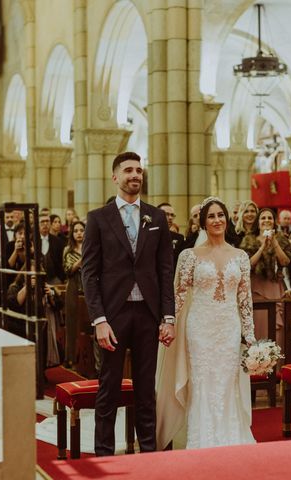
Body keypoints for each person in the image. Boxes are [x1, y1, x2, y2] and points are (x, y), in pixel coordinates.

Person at [81, 151, 175, 456]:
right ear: (115, 177)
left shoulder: (156, 217)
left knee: (146, 388)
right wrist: (99, 320)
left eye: (138, 170)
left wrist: (168, 317)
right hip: (113, 315)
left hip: (148, 315)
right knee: (108, 387)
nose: (135, 175)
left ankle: (148, 453)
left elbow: (165, 270)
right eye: (128, 170)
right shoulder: (98, 218)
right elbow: (89, 273)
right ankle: (104, 454)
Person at [156, 197, 256, 449]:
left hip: (229, 327)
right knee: (203, 381)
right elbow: (178, 297)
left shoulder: (241, 256)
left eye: (220, 215)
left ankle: (233, 438)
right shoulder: (189, 256)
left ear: (227, 219)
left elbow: (245, 300)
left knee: (227, 381)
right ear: (202, 222)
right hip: (199, 327)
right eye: (211, 216)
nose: (217, 220)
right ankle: (202, 440)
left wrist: (251, 337)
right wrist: (169, 324)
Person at [240, 208, 291, 355]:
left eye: (270, 218)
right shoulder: (249, 240)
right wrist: (262, 246)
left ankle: (278, 371)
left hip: (275, 288)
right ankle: (257, 370)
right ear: (258, 222)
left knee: (277, 331)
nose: (267, 220)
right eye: (263, 218)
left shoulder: (281, 239)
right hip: (256, 289)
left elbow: (285, 261)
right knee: (259, 328)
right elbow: (248, 264)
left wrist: (274, 242)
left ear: (274, 222)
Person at [63, 220, 89, 368]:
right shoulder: (68, 250)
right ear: (72, 234)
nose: (79, 233)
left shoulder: (90, 247)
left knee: (87, 326)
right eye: (76, 231)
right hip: (73, 288)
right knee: (72, 325)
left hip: (88, 288)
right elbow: (67, 270)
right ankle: (71, 358)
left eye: (81, 230)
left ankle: (86, 360)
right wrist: (80, 261)